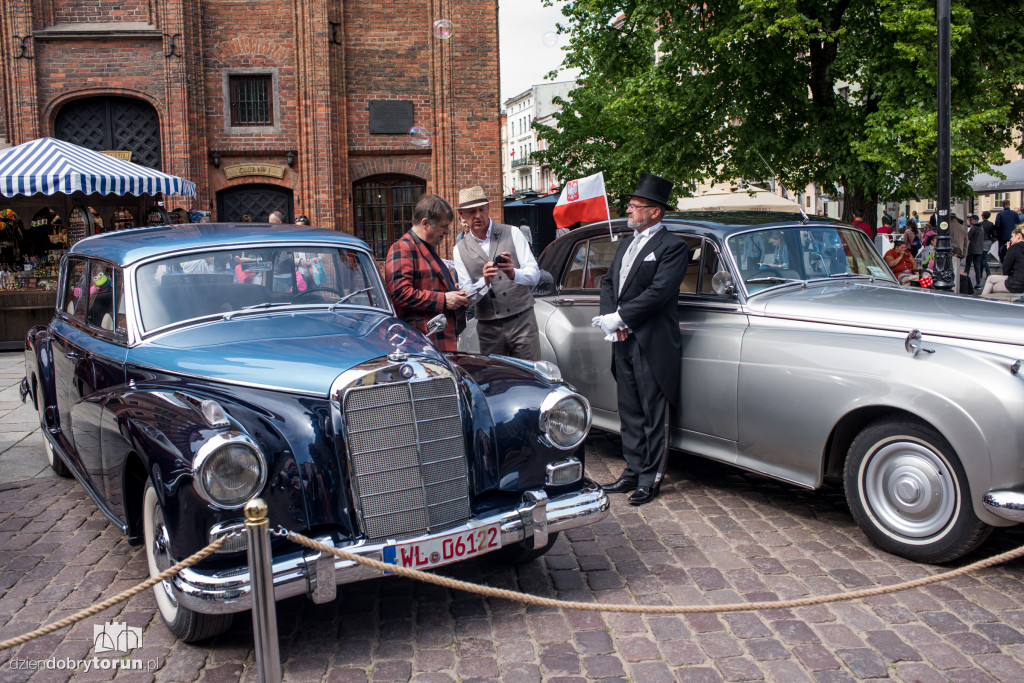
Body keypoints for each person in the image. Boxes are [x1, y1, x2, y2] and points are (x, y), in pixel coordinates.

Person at [593, 173, 689, 506]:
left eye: (635, 206)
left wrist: (623, 317)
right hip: (622, 339)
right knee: (629, 410)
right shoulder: (626, 243)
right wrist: (610, 319)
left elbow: (660, 291)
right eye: (631, 205)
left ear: (655, 212)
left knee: (652, 412)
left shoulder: (673, 247)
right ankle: (632, 470)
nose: (629, 210)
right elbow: (608, 283)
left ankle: (651, 477)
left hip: (652, 340)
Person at [453, 185, 541, 360]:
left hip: (522, 320)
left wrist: (514, 273)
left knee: (530, 377)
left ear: (488, 208)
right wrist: (484, 282)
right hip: (489, 327)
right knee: (496, 381)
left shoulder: (512, 233)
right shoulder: (459, 250)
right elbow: (467, 295)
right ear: (462, 215)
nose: (477, 216)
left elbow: (535, 274)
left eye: (481, 209)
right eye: (471, 211)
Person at [385, 194, 468, 352]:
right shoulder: (402, 248)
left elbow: (428, 285)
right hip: (421, 344)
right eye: (443, 226)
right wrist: (444, 299)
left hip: (437, 341)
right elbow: (400, 293)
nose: (447, 232)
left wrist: (455, 293)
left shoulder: (425, 246)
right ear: (425, 223)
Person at [982, 225, 1024, 296]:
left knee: (992, 286)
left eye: (1012, 236)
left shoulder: (1014, 248)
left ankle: (981, 302)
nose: (1010, 239)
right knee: (990, 278)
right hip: (1019, 280)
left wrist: (1008, 252)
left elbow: (1006, 270)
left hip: (1017, 284)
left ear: (1018, 236)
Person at [966, 214, 985, 290]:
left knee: (968, 265)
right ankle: (978, 283)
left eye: (971, 220)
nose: (970, 221)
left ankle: (965, 279)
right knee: (977, 266)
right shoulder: (981, 228)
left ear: (976, 220)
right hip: (979, 249)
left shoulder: (973, 228)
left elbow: (968, 236)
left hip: (972, 249)